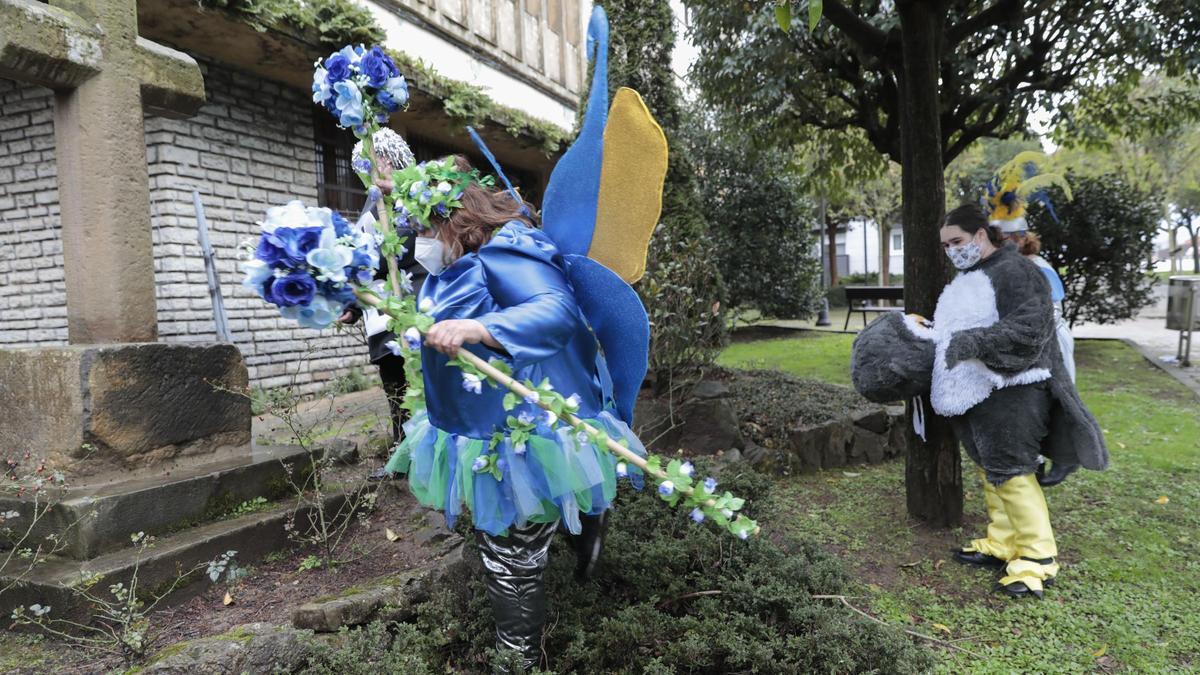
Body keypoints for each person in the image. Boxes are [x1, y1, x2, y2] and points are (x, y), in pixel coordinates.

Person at [382, 155, 644, 667]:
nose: (421, 241)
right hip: (481, 419)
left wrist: (480, 330)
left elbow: (557, 311)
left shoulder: (509, 248)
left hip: (524, 428)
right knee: (514, 542)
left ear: (457, 219)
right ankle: (588, 520)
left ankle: (517, 660)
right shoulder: (464, 254)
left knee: (510, 553)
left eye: (427, 226)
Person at [935, 205, 1107, 599]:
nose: (952, 251)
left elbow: (1031, 325)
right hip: (984, 389)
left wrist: (972, 342)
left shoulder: (1017, 271)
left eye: (957, 242)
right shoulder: (977, 273)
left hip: (1018, 388)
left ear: (981, 235)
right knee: (989, 467)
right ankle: (1003, 540)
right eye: (946, 246)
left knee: (1012, 471)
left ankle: (1037, 558)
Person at [335, 129, 427, 480]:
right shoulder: (372, 205)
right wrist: (353, 305)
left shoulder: (419, 194)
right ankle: (404, 456)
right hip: (382, 315)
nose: (374, 167)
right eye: (367, 162)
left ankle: (432, 456)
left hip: (417, 305)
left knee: (423, 381)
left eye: (379, 158)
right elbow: (364, 262)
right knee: (395, 386)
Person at [998, 226, 1075, 382]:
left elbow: (1051, 311)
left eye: (1011, 236)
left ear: (1023, 239)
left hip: (1047, 344)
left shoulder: (1038, 266)